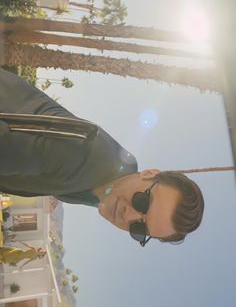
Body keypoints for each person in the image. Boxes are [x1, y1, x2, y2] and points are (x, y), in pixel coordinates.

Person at [0, 68, 204, 246]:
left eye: (139, 229)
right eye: (143, 201)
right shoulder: (80, 156)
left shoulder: (102, 189)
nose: (129, 216)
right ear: (149, 174)